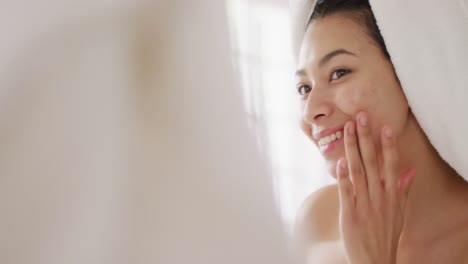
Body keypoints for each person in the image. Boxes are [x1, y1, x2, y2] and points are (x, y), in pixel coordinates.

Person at [293, 0, 468, 263]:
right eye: (304, 88)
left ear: (409, 75)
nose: (310, 111)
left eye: (339, 73)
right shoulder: (315, 223)